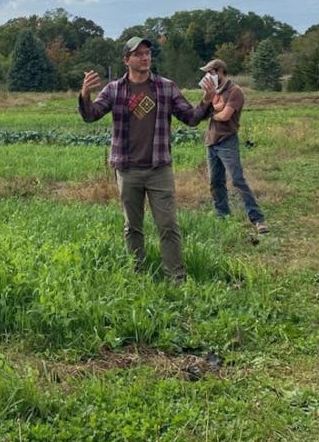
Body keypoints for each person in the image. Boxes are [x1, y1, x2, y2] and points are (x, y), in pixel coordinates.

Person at [79, 36, 213, 282]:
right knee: (133, 227)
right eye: (139, 53)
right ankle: (137, 274)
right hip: (127, 169)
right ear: (126, 60)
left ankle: (176, 278)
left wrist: (206, 100)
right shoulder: (114, 89)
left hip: (158, 168)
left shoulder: (165, 87)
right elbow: (91, 115)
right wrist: (85, 94)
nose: (145, 57)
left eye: (148, 53)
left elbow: (191, 118)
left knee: (169, 226)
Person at [199, 57, 267, 234]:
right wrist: (213, 106)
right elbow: (201, 111)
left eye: (211, 72)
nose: (208, 75)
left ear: (220, 72)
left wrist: (213, 112)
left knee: (237, 179)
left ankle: (257, 218)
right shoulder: (213, 92)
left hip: (227, 140)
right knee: (215, 181)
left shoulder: (235, 91)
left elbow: (225, 116)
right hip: (211, 140)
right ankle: (222, 216)